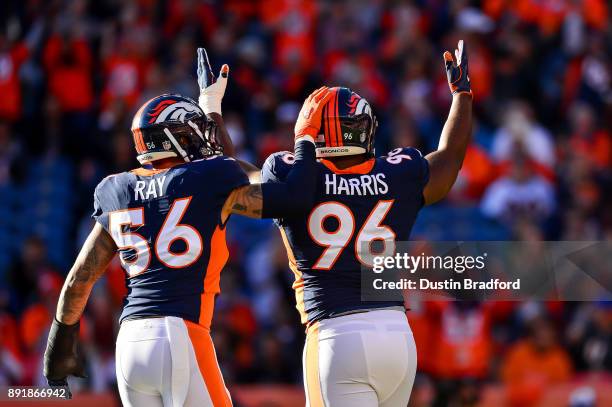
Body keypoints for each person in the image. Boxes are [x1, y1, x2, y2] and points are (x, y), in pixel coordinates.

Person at [42, 48, 332, 406]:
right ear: (176, 138)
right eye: (195, 133)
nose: (203, 141)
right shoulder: (209, 177)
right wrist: (215, 111)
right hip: (179, 333)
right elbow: (264, 186)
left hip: (130, 340)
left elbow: (79, 278)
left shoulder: (118, 188)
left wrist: (60, 343)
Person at [261, 40, 473, 406]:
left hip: (334, 334)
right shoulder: (398, 171)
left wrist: (214, 112)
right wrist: (462, 97)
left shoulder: (288, 173)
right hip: (395, 335)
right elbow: (450, 160)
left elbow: (232, 182)